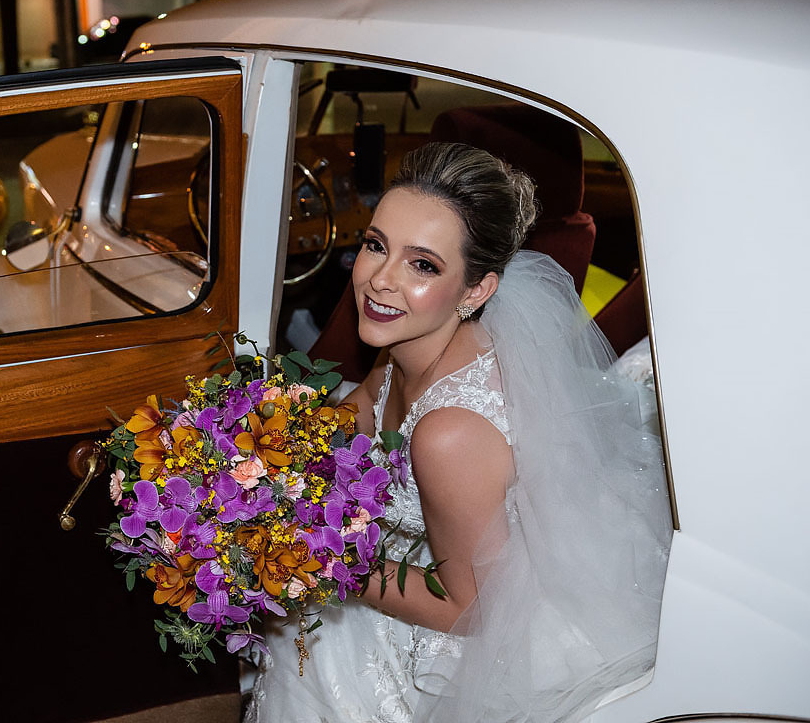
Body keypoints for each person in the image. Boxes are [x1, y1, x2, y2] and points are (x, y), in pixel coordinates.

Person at [246, 143, 671, 722]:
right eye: (376, 246)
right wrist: (276, 458)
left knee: (315, 650)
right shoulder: (405, 336)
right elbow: (368, 401)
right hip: (437, 552)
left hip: (471, 622)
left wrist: (323, 561)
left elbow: (471, 607)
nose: (379, 281)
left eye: (423, 264)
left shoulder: (449, 436)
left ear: (476, 291)